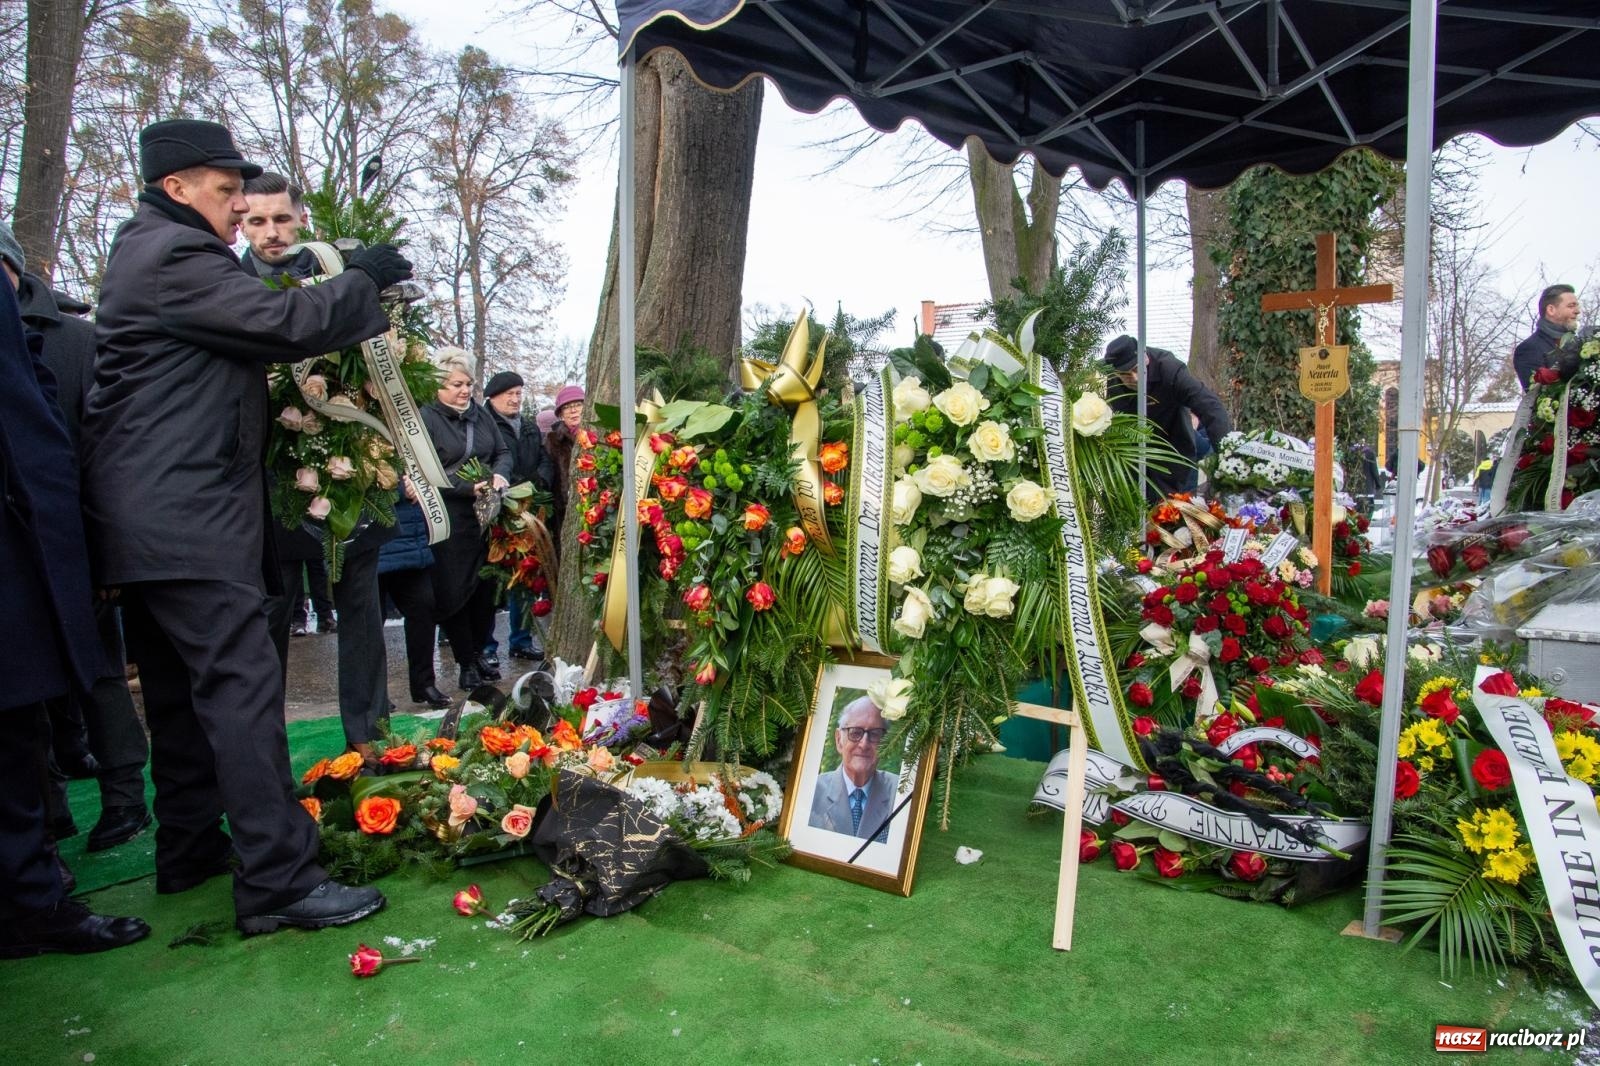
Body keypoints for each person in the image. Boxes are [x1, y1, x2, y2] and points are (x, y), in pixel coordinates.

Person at [80, 118, 408, 934]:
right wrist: (359, 281)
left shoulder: (145, 253)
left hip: (151, 519)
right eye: (227, 192)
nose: (237, 208)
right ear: (177, 189)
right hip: (188, 515)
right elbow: (281, 326)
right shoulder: (173, 255)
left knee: (183, 698)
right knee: (240, 691)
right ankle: (278, 882)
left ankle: (189, 847)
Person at [0, 270, 151, 958]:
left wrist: (96, 541)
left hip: (43, 545)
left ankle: (38, 882)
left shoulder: (68, 338)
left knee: (30, 716)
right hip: (30, 544)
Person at [242, 172, 393, 767]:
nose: (271, 232)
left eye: (281, 218)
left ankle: (369, 736)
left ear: (300, 218)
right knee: (272, 618)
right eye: (257, 221)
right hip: (275, 483)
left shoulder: (339, 273)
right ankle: (266, 751)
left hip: (352, 475)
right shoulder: (229, 285)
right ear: (240, 223)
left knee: (362, 612)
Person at [420, 348, 512, 690]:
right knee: (456, 591)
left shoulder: (480, 415)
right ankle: (465, 661)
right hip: (451, 517)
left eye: (468, 383)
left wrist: (500, 475)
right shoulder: (427, 418)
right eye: (457, 384)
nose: (464, 390)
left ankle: (479, 652)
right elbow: (426, 471)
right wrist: (464, 487)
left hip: (486, 515)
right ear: (439, 386)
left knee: (484, 589)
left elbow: (501, 451)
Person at [482, 370, 555, 664]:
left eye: (518, 394)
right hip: (497, 510)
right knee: (492, 579)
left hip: (527, 508)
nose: (515, 399)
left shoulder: (527, 426)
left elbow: (543, 458)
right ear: (493, 397)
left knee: (524, 574)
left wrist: (539, 482)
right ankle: (485, 646)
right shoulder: (484, 423)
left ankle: (521, 640)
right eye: (509, 394)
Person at [1104, 335, 1233, 500]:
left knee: (1180, 518)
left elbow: (1210, 406)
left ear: (1145, 357)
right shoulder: (1114, 383)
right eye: (1126, 375)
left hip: (1178, 455)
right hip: (1139, 463)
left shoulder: (1170, 369)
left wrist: (1227, 455)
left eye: (1137, 369)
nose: (1135, 379)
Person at [377, 494, 449, 709]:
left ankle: (424, 683)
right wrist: (401, 487)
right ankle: (374, 693)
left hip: (409, 537)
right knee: (370, 622)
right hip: (373, 540)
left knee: (423, 607)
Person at [808, 696, 897, 843]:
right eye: (855, 733)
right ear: (838, 740)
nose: (864, 744)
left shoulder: (901, 793)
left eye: (875, 734)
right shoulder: (811, 791)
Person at [1513, 284, 1582, 391]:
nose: (1577, 311)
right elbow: (1537, 394)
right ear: (1551, 310)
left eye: (1577, 306)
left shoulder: (1581, 344)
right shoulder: (1529, 348)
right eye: (1571, 306)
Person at [545, 384, 584, 547]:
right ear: (561, 414)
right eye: (567, 407)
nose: (573, 410)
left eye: (577, 405)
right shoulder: (553, 441)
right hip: (565, 509)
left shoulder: (597, 433)